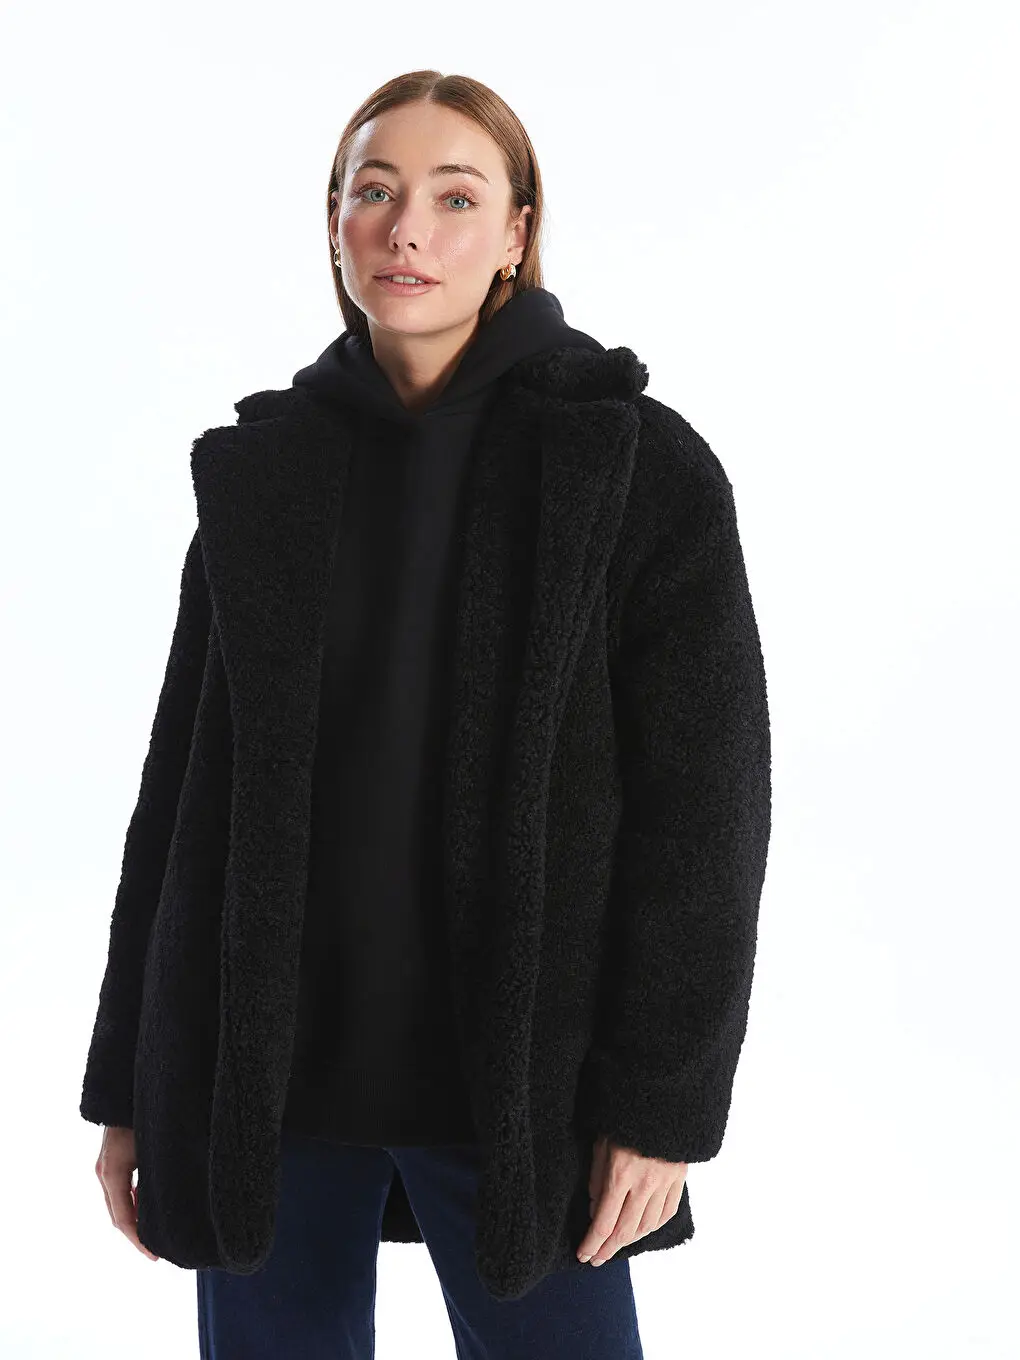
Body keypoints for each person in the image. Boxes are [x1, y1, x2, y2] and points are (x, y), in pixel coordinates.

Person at [81, 68, 772, 1359]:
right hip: (265, 1086)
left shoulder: (633, 466)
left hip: (523, 1087)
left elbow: (706, 818)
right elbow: (178, 800)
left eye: (456, 197)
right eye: (374, 192)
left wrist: (663, 1103)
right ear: (335, 223)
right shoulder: (263, 473)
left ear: (516, 232)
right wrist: (135, 1081)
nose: (407, 230)